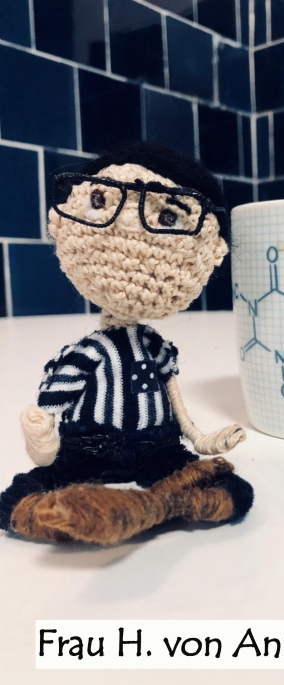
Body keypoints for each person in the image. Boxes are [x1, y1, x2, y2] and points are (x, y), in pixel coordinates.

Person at [0, 142, 253, 545]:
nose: (131, 230)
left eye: (168, 217)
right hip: (90, 445)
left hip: (158, 444)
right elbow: (52, 404)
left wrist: (198, 436)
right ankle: (69, 514)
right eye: (100, 201)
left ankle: (151, 508)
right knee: (20, 495)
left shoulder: (154, 348)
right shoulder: (89, 353)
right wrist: (42, 434)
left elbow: (174, 397)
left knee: (232, 490)